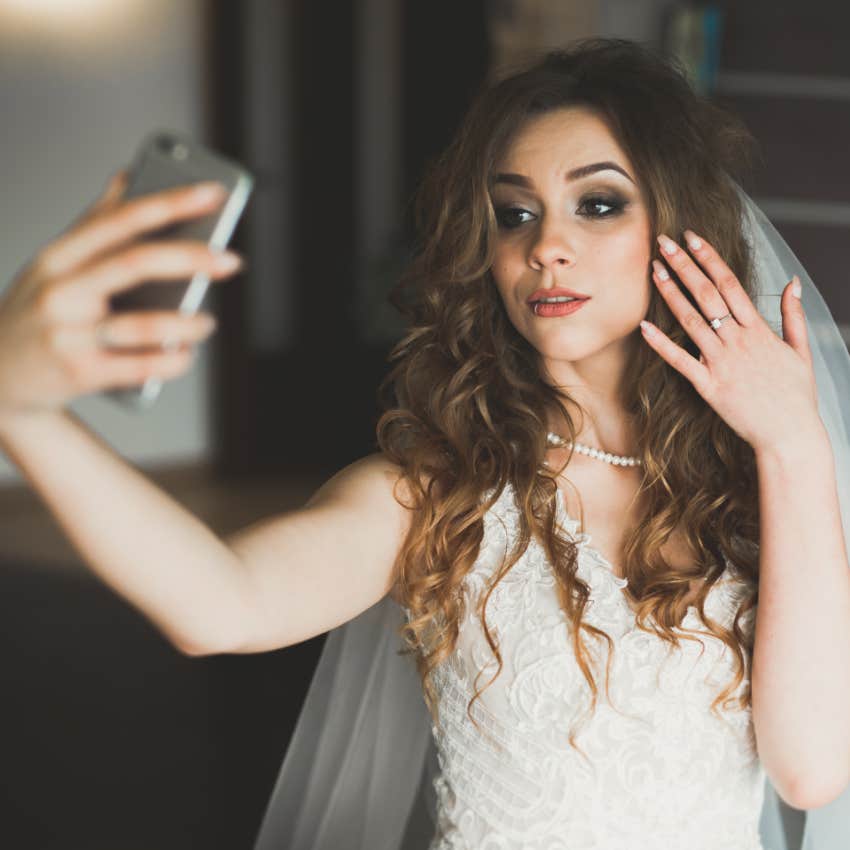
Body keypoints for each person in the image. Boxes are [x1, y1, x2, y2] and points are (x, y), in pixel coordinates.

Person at [1, 36, 848, 850]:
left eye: (598, 203)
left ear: (681, 229)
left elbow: (811, 773)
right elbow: (220, 604)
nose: (545, 247)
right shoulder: (437, 490)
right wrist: (24, 413)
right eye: (514, 214)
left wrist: (794, 446)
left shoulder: (763, 485)